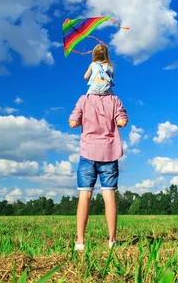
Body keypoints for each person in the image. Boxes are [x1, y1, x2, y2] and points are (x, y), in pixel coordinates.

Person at [69, 89, 128, 251]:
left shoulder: (83, 99)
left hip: (88, 153)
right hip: (109, 154)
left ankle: (80, 242)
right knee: (109, 196)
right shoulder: (115, 100)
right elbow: (122, 122)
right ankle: (112, 240)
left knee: (84, 196)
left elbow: (73, 123)